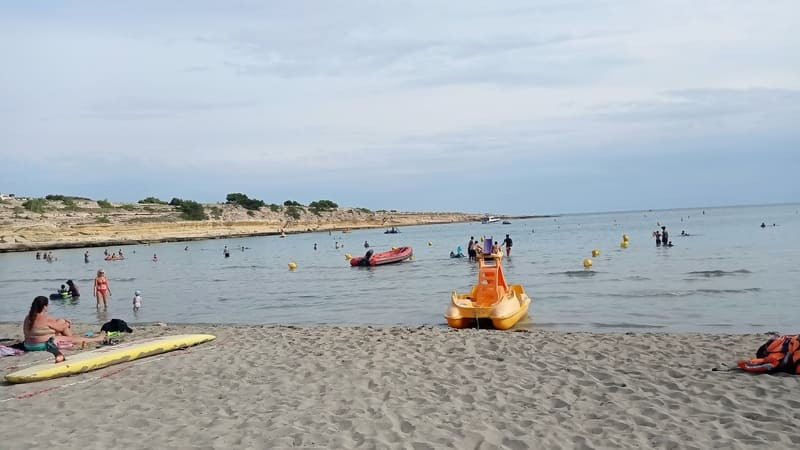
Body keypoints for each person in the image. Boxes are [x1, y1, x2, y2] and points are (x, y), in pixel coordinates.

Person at [23, 296, 104, 363]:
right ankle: (97, 338)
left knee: (60, 321)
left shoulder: (28, 317)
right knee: (69, 335)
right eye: (47, 305)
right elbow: (61, 328)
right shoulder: (46, 318)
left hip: (27, 345)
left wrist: (62, 321)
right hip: (41, 345)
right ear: (44, 307)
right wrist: (68, 323)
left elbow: (50, 325)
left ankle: (71, 336)